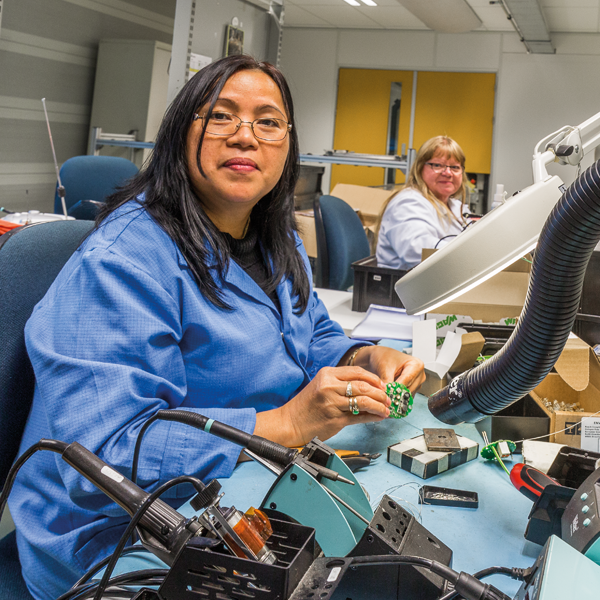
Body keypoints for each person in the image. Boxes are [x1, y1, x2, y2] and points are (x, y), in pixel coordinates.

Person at [9, 55, 425, 600]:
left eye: (268, 121)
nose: (245, 137)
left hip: (247, 488)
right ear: (183, 133)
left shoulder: (276, 237)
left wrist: (358, 358)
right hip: (120, 542)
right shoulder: (125, 261)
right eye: (221, 116)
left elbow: (311, 334)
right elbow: (104, 453)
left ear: (288, 145)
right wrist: (285, 423)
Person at [376, 136, 468, 270]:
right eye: (437, 165)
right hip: (402, 288)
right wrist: (470, 256)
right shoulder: (407, 203)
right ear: (420, 168)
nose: (448, 173)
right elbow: (419, 252)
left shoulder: (457, 207)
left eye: (455, 167)